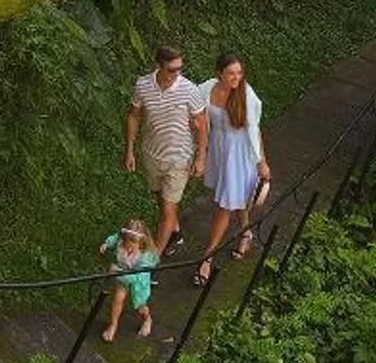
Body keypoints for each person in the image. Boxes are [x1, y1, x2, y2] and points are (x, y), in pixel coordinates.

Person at [124, 43, 207, 255]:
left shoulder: (189, 89)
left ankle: (153, 260)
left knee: (168, 209)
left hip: (179, 157)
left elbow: (202, 122)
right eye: (172, 69)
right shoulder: (143, 85)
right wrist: (130, 150)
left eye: (180, 68)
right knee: (160, 199)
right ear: (159, 65)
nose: (176, 73)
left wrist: (200, 157)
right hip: (152, 153)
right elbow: (134, 115)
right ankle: (174, 233)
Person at [195, 52, 268, 285]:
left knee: (226, 204)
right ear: (219, 74)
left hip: (240, 153)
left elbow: (255, 130)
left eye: (239, 73)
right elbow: (194, 111)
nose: (236, 77)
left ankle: (207, 258)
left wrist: (262, 162)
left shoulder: (246, 96)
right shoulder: (206, 89)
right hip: (219, 150)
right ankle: (246, 232)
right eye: (231, 73)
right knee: (235, 197)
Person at [98, 218, 158, 341]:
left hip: (138, 283)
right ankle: (113, 324)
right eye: (125, 241)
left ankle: (147, 319)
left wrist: (117, 272)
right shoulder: (121, 241)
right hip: (123, 275)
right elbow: (114, 238)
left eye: (132, 243)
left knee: (140, 306)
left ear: (141, 242)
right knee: (118, 298)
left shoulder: (145, 257)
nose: (128, 246)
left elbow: (138, 277)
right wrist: (106, 243)